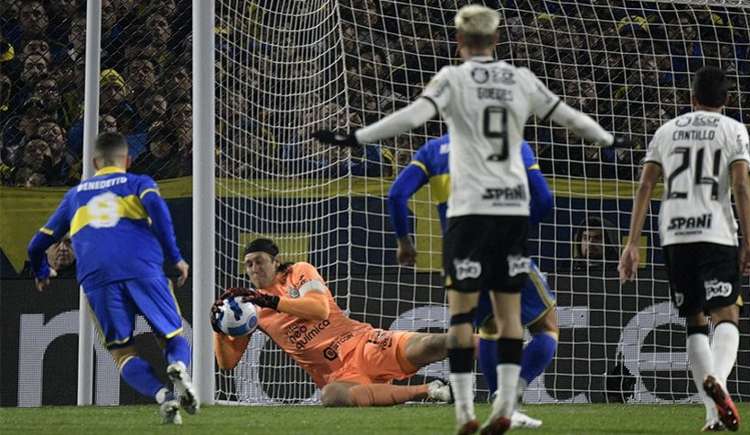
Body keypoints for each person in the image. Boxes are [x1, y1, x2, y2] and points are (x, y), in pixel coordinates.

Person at [313, 5, 623, 434]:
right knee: (510, 317)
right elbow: (568, 117)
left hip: (465, 215)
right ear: (498, 40)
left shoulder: (451, 79)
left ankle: (464, 413)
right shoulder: (520, 79)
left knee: (463, 319)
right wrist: (608, 139)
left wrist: (358, 137)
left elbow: (413, 117)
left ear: (458, 42)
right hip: (509, 211)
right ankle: (504, 407)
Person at [386, 134, 558, 429]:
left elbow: (396, 195)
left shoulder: (433, 149)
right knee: (547, 327)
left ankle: (495, 404)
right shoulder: (512, 143)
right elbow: (543, 199)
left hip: (461, 255)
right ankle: (512, 389)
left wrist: (404, 242)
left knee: (488, 328)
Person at [619, 66, 750, 432]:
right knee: (726, 315)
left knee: (695, 321)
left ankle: (712, 415)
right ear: (725, 101)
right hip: (716, 232)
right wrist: (749, 241)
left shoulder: (667, 131)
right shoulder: (733, 129)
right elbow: (741, 186)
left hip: (675, 234)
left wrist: (632, 243)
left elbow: (645, 186)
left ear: (691, 99)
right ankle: (719, 384)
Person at [26, 132, 197, 424]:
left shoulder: (75, 195)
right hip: (142, 268)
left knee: (121, 352)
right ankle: (178, 367)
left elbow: (35, 245)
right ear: (127, 161)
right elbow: (157, 209)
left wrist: (42, 272)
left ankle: (163, 397)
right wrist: (176, 256)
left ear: (94, 163)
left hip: (97, 277)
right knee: (171, 335)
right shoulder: (138, 182)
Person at [211, 238, 452, 407]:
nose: (254, 268)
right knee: (332, 397)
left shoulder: (298, 272)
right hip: (338, 375)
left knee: (435, 343)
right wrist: (219, 329)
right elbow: (227, 363)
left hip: (364, 344)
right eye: (249, 264)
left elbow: (319, 309)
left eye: (259, 261)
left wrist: (271, 301)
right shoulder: (251, 308)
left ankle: (489, 345)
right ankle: (428, 391)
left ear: (275, 261)